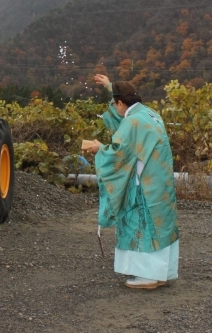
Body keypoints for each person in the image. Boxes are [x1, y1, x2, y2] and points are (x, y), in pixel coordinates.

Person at [82, 76, 179, 289]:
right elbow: (122, 123)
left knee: (142, 225)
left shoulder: (133, 121)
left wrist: (100, 149)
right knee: (159, 225)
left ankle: (148, 275)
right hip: (159, 181)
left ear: (119, 102)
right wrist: (111, 88)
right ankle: (162, 272)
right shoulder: (149, 114)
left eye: (114, 102)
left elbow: (120, 150)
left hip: (143, 183)